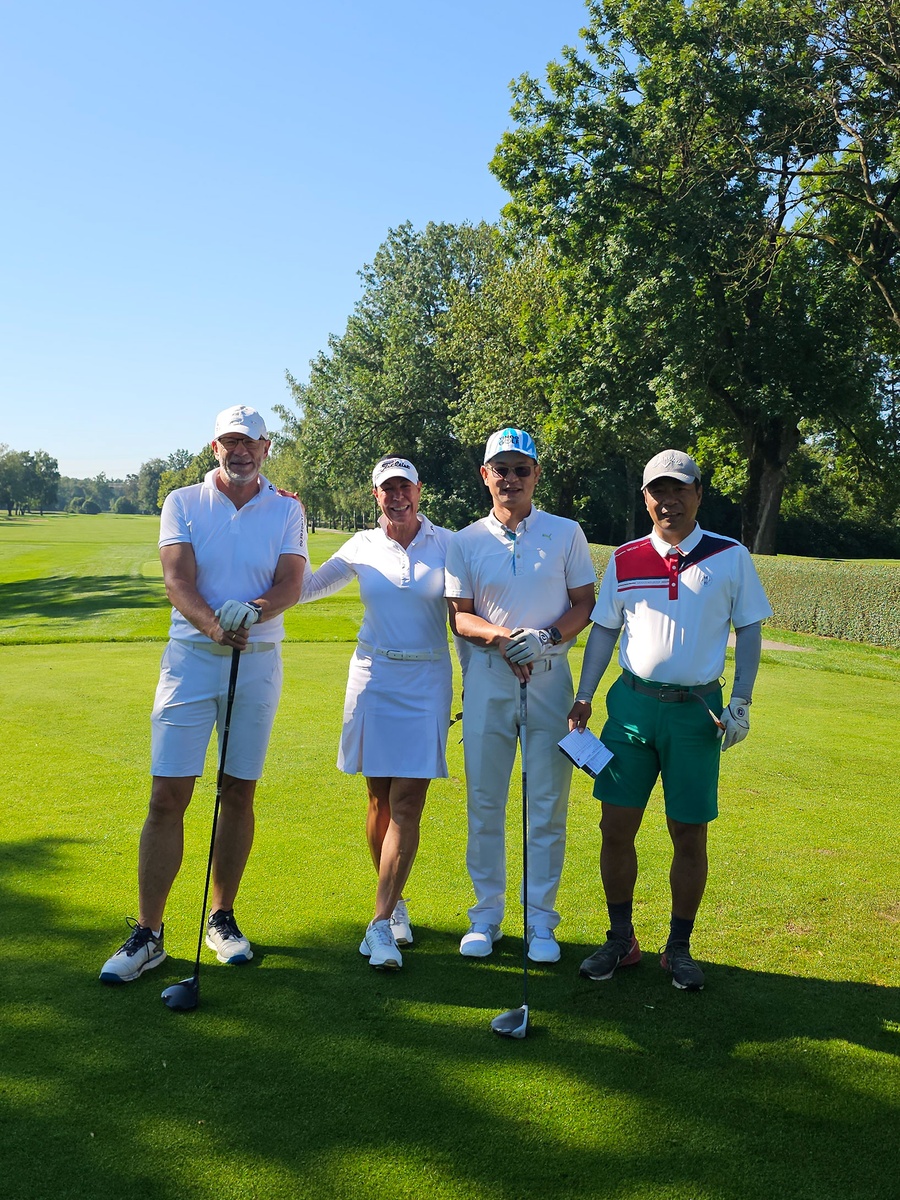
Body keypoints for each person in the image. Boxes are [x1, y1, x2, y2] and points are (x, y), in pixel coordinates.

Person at [99, 405, 307, 984]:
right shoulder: (183, 501)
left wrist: (255, 611)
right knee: (168, 795)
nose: (239, 451)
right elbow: (177, 581)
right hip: (190, 661)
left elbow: (291, 582)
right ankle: (149, 933)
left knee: (237, 791)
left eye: (249, 442)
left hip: (256, 663)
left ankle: (222, 918)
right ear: (215, 447)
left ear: (266, 447)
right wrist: (216, 627)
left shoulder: (287, 508)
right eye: (228, 442)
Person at [569, 449, 772, 991]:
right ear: (645, 499)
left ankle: (678, 948)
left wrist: (742, 700)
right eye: (658, 490)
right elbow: (605, 629)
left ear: (698, 494)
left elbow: (750, 627)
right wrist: (584, 695)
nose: (669, 500)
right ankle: (621, 939)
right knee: (615, 827)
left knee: (688, 831)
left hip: (696, 713)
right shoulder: (625, 558)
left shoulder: (729, 556)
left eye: (680, 489)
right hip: (631, 709)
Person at [298, 455, 458, 970]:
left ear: (419, 490)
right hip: (373, 677)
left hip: (427, 677)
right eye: (388, 489)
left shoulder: (449, 543)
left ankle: (379, 922)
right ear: (376, 495)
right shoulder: (361, 545)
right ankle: (395, 904)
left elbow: (467, 610)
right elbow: (306, 588)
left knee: (409, 801)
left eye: (404, 487)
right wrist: (294, 531)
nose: (397, 496)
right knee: (379, 801)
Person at [445, 428, 596, 963]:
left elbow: (584, 603)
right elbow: (460, 616)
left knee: (546, 803)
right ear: (485, 475)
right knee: (485, 801)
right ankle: (486, 917)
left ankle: (540, 923)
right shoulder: (464, 540)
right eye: (501, 470)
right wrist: (505, 639)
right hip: (490, 676)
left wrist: (546, 638)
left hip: (550, 676)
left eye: (521, 469)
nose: (511, 479)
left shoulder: (566, 532)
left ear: (536, 474)